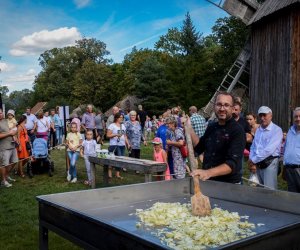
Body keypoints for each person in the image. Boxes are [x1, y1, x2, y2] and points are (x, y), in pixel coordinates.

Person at [190, 92, 246, 184]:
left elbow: (232, 164)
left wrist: (207, 172)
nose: (222, 108)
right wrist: (189, 129)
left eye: (226, 105)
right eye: (219, 104)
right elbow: (199, 148)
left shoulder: (237, 130)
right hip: (209, 182)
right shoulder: (212, 127)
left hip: (229, 185)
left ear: (232, 109)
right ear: (214, 107)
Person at [248, 106, 283, 190]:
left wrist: (253, 160)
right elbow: (253, 146)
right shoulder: (259, 129)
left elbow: (269, 150)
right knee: (257, 188)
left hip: (269, 163)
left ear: (270, 115)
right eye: (260, 116)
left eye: (264, 115)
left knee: (269, 190)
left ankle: (271, 203)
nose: (262, 118)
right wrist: (251, 159)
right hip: (257, 163)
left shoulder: (277, 130)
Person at [106, 112, 129, 179]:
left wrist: (128, 144)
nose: (121, 119)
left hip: (122, 145)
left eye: (122, 117)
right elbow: (108, 135)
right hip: (114, 145)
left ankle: (117, 174)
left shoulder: (123, 126)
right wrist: (115, 135)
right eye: (120, 117)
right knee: (112, 159)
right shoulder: (112, 125)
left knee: (120, 159)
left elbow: (125, 136)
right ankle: (109, 174)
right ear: (116, 118)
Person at [283, 107, 300, 193]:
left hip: (299, 168)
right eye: (296, 116)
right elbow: (286, 147)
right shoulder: (290, 130)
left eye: (299, 116)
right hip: (289, 169)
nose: (298, 119)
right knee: (292, 196)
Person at [0, 108, 18, 187]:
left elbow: (13, 128)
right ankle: (3, 181)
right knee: (4, 164)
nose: (1, 114)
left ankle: (6, 176)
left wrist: (14, 133)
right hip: (4, 147)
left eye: (1, 113)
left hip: (12, 145)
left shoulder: (6, 120)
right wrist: (9, 133)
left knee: (14, 161)